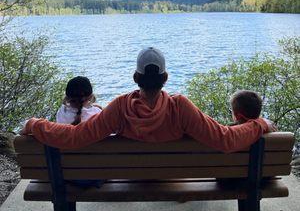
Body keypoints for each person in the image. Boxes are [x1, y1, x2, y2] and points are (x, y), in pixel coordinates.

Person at [22, 47, 274, 152]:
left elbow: (76, 136)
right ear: (165, 78)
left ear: (135, 77)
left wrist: (35, 124)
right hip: (174, 178)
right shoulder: (180, 107)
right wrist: (259, 123)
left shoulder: (120, 106)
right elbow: (225, 139)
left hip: (132, 178)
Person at [56, 76, 103, 188]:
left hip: (69, 174)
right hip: (96, 175)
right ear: (91, 96)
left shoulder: (61, 113)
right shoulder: (97, 114)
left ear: (67, 98)